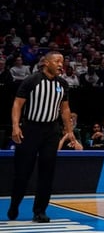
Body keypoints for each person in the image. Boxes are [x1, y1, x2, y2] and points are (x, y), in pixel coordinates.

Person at [8, 51, 76, 223]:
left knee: (47, 173)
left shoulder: (62, 84)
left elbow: (65, 109)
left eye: (62, 61)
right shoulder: (31, 80)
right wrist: (15, 126)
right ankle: (15, 204)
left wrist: (70, 131)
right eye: (57, 61)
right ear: (46, 63)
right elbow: (17, 104)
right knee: (22, 173)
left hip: (51, 132)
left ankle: (40, 211)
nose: (61, 64)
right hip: (31, 129)